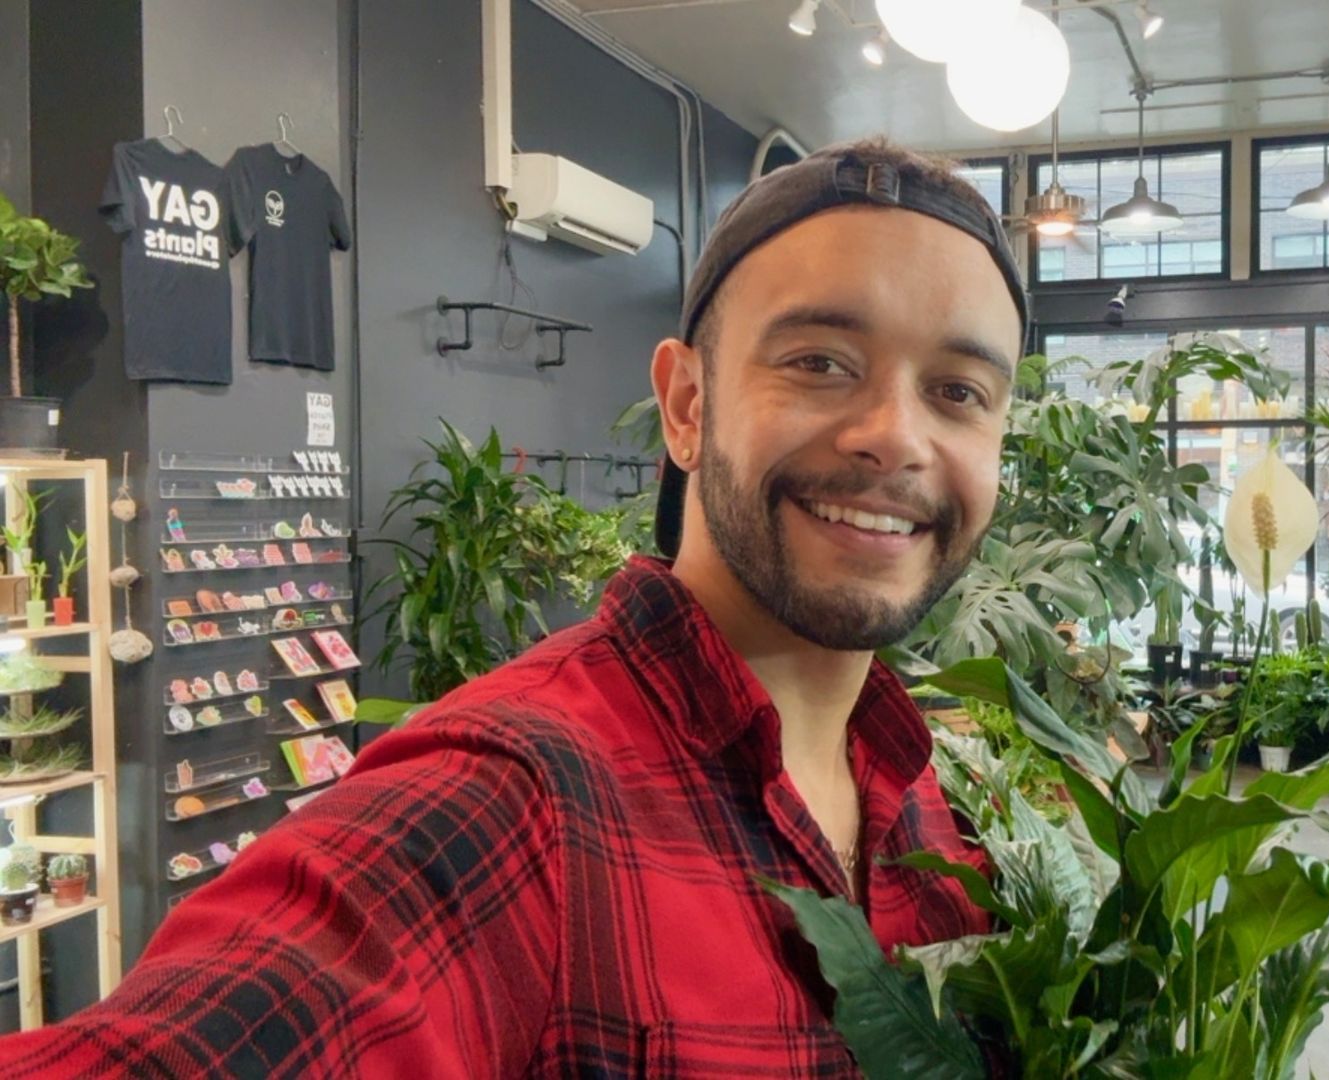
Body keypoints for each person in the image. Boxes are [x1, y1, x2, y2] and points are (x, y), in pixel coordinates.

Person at [0, 138, 1026, 1077]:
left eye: (959, 391)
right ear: (687, 405)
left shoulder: (928, 801)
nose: (894, 437)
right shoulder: (513, 800)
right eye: (819, 363)